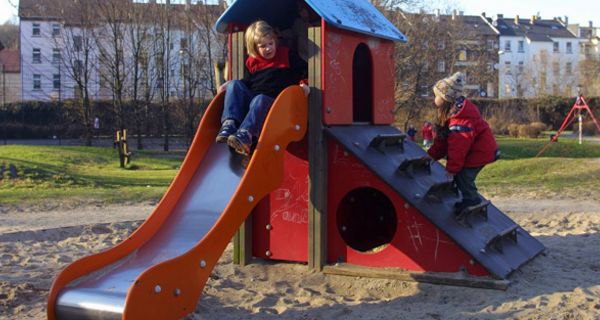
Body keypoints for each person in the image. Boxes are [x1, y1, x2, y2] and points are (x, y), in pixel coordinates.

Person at [216, 20, 310, 156]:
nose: (268, 48)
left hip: (275, 105)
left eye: (270, 44)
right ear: (254, 48)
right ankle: (230, 123)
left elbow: (305, 69)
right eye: (262, 46)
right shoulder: (252, 62)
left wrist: (304, 84)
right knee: (235, 84)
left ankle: (246, 134)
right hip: (255, 102)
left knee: (259, 99)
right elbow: (248, 83)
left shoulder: (286, 55)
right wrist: (229, 85)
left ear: (275, 41)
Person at [426, 72, 499, 213]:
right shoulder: (450, 115)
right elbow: (442, 141)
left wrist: (452, 169)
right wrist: (431, 156)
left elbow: (458, 147)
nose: (434, 99)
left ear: (446, 98)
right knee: (460, 174)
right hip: (475, 150)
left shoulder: (460, 120)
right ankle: (462, 191)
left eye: (437, 96)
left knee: (463, 175)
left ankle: (472, 200)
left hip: (480, 152)